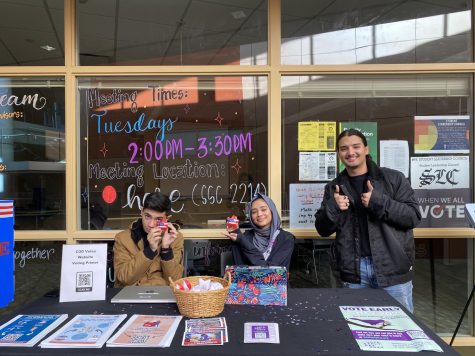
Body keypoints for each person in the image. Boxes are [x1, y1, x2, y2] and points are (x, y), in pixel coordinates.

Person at [314, 129, 421, 312]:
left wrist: (379, 201)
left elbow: (412, 217)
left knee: (402, 331)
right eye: (344, 148)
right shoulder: (333, 187)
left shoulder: (393, 179)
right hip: (355, 271)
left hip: (392, 267)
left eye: (356, 146)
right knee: (357, 330)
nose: (350, 152)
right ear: (339, 154)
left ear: (366, 149)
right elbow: (322, 229)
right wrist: (333, 206)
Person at [113, 192, 184, 287]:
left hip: (161, 295)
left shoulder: (175, 238)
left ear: (167, 218)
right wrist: (149, 250)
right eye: (147, 216)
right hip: (130, 294)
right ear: (141, 212)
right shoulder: (122, 238)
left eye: (158, 219)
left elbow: (175, 281)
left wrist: (166, 249)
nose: (151, 224)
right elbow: (124, 278)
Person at [223, 193, 295, 270]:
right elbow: (239, 268)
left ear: (272, 211)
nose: (259, 214)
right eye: (254, 212)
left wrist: (242, 241)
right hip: (246, 282)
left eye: (263, 209)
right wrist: (236, 235)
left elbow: (269, 271)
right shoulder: (245, 236)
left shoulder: (286, 239)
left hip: (274, 282)